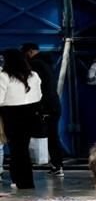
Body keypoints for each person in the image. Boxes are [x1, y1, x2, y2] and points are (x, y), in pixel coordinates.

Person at [0, 48, 42, 189]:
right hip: (31, 112)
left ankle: (20, 180)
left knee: (16, 149)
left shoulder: (4, 76)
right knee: (23, 148)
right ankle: (25, 181)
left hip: (12, 113)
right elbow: (40, 95)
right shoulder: (33, 75)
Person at [21, 43, 65, 176]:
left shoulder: (35, 65)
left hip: (45, 106)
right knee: (53, 136)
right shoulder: (47, 63)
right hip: (54, 104)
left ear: (29, 52)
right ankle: (57, 165)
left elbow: (38, 88)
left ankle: (55, 164)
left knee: (48, 136)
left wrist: (39, 107)